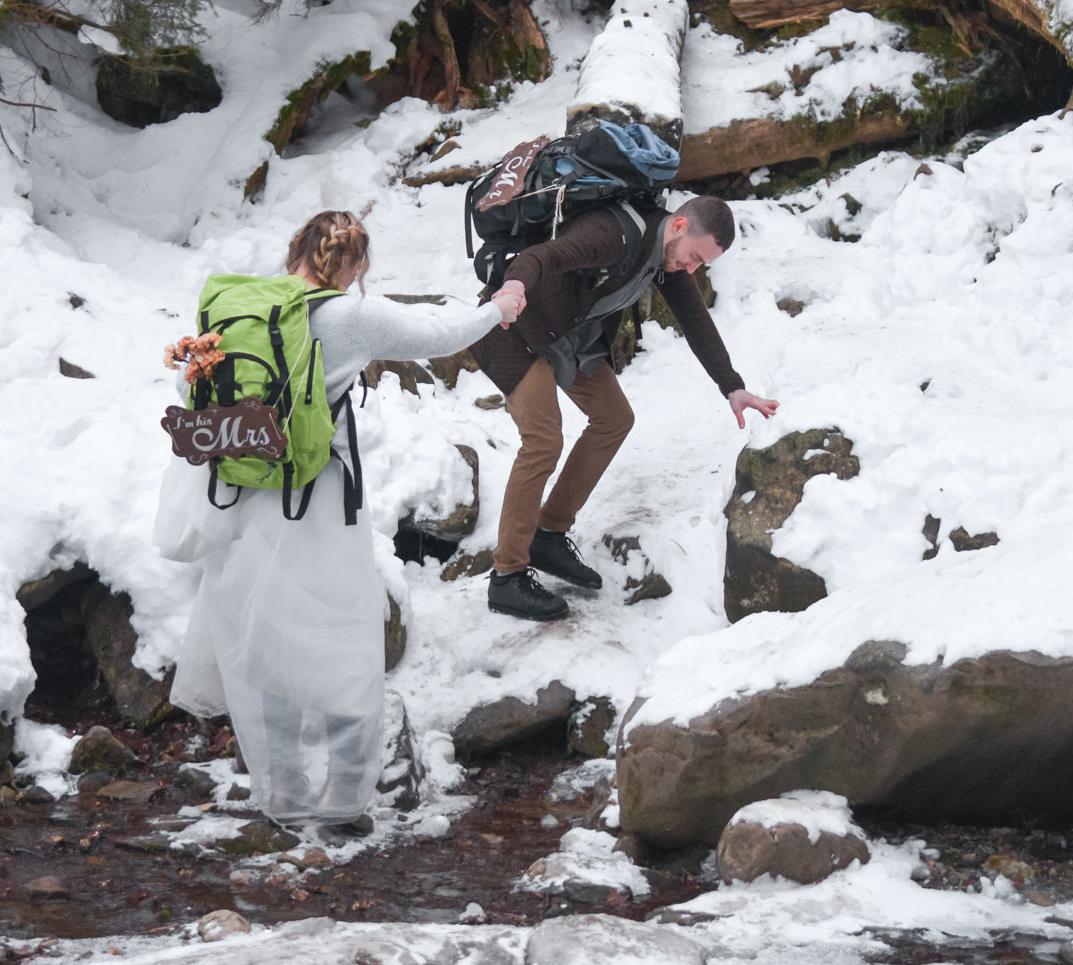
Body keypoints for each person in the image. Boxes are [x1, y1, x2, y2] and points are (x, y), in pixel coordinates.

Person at [154, 211, 526, 829]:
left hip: (246, 499)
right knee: (344, 641)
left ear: (295, 249)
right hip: (316, 502)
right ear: (352, 266)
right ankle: (345, 801)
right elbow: (437, 334)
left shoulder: (239, 309)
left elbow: (193, 384)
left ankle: (283, 793)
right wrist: (499, 306)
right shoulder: (346, 317)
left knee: (265, 644)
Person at [471, 194, 778, 621]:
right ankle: (507, 577)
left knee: (615, 418)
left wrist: (732, 386)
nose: (692, 269)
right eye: (693, 258)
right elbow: (540, 256)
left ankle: (548, 534)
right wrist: (515, 285)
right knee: (543, 441)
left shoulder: (663, 257)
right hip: (512, 329)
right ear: (678, 226)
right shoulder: (612, 236)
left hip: (564, 339)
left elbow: (694, 318)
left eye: (701, 265)